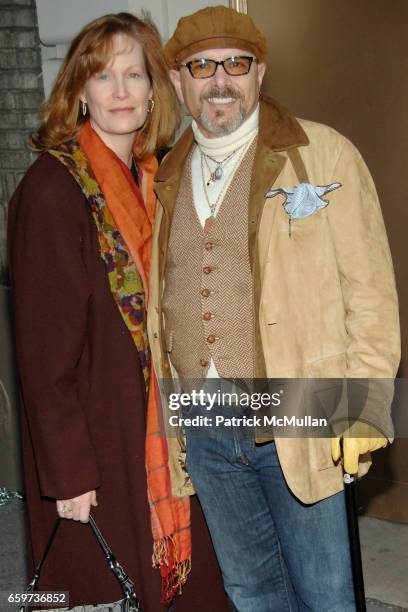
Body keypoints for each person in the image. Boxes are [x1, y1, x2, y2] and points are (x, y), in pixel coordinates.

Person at [147, 5, 401, 611]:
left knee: (325, 595)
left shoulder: (323, 154)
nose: (219, 81)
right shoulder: (168, 176)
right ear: (179, 82)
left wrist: (363, 406)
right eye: (200, 66)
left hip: (298, 412)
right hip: (206, 423)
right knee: (251, 591)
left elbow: (370, 293)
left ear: (260, 73)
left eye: (235, 63)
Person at [8, 12, 228, 611]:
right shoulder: (53, 190)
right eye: (104, 77)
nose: (123, 91)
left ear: (155, 89)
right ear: (79, 91)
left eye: (135, 75)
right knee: (117, 587)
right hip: (98, 441)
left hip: (165, 424)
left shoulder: (158, 179)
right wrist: (70, 473)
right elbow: (43, 352)